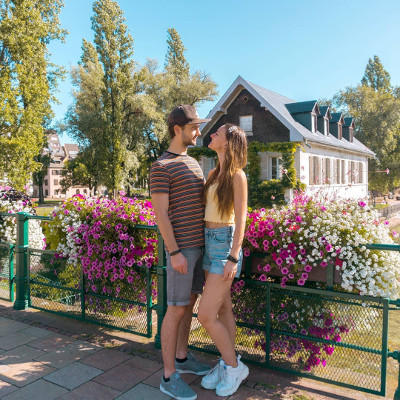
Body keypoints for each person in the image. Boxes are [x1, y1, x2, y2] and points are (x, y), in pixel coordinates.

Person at [150, 105, 212, 400]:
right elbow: (161, 215)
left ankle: (183, 358)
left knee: (188, 303)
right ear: (178, 130)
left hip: (199, 246)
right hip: (181, 250)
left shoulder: (193, 162)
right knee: (174, 309)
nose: (199, 133)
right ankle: (167, 376)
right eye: (194, 128)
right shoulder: (161, 166)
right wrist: (174, 252)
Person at [197, 123, 249, 397]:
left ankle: (233, 367)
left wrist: (232, 257)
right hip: (208, 242)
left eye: (218, 133)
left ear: (228, 143)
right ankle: (227, 361)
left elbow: (241, 220)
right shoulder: (213, 173)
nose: (212, 134)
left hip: (223, 246)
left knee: (205, 315)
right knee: (223, 310)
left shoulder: (237, 176)